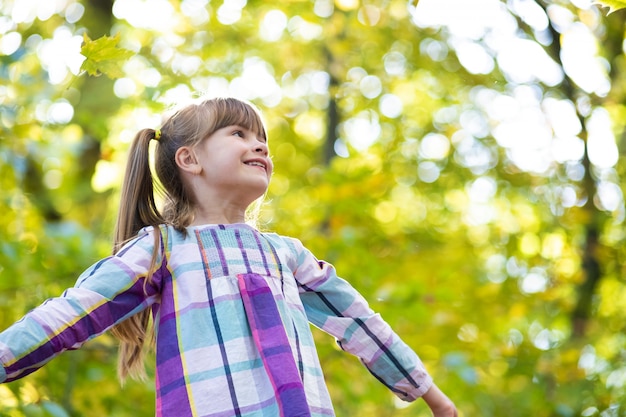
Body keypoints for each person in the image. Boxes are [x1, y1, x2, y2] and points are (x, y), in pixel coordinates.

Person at [0, 96, 457, 417]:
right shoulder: (162, 249)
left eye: (262, 139)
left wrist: (429, 392)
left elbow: (358, 320)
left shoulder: (286, 255)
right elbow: (71, 312)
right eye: (239, 134)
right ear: (189, 160)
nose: (260, 145)